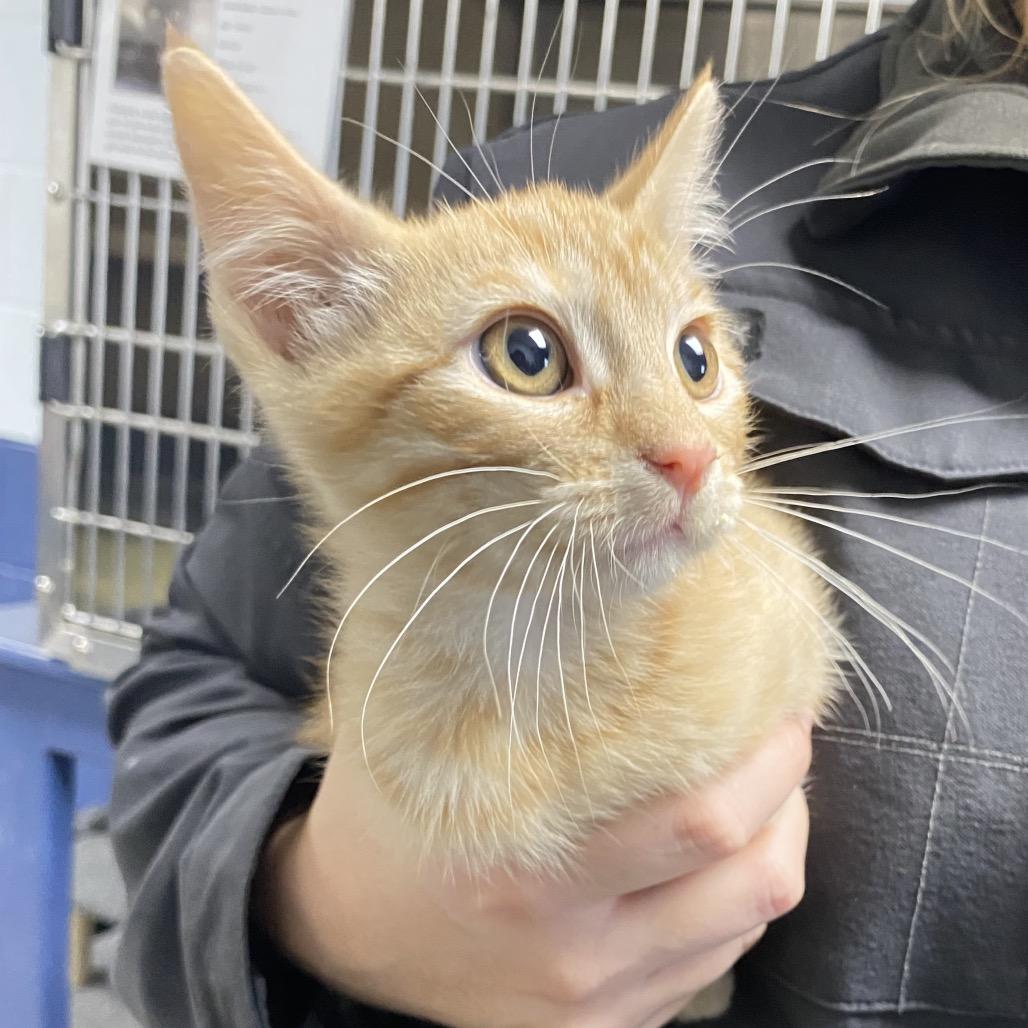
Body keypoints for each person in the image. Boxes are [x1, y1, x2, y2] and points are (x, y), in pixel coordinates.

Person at [108, 0, 1028, 1023]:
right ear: (289, 317)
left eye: (692, 360)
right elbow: (191, 685)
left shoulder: (735, 623)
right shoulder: (514, 180)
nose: (678, 446)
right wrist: (314, 900)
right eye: (527, 354)